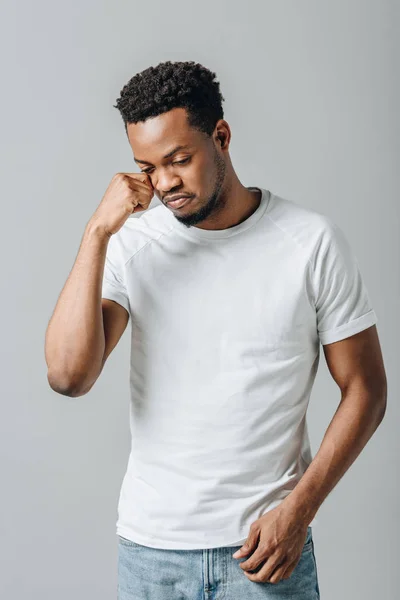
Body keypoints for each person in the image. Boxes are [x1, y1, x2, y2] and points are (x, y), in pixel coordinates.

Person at [45, 60, 387, 599]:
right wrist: (96, 233)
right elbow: (68, 375)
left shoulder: (310, 243)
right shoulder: (131, 245)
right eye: (148, 167)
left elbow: (366, 389)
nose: (164, 184)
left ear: (221, 137)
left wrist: (299, 510)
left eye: (179, 160)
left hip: (266, 552)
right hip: (151, 555)